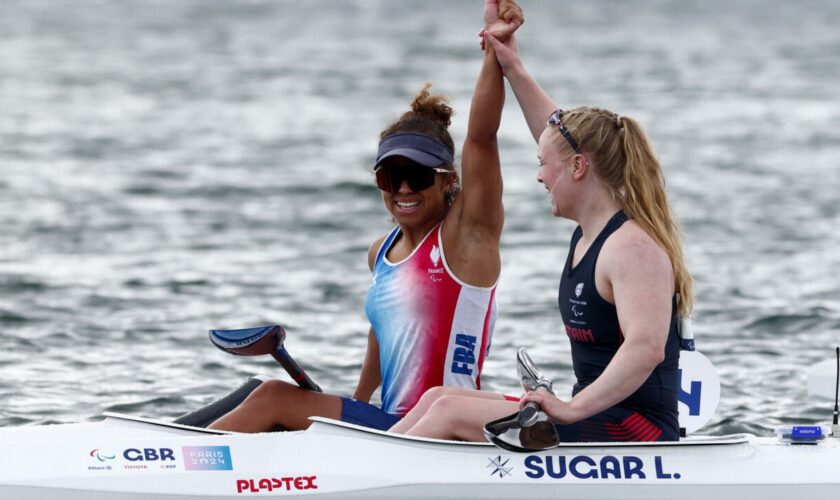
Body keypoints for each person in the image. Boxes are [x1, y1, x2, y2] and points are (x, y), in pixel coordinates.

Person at [208, 0, 524, 433]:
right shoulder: (381, 253)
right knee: (257, 391)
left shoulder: (468, 238)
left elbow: (482, 139)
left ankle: (169, 468)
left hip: (444, 432)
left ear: (448, 180)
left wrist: (495, 51)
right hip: (391, 425)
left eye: (417, 176)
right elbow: (380, 339)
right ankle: (176, 448)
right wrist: (351, 412)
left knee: (270, 398)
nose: (404, 189)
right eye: (391, 177)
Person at [389, 6, 693, 443]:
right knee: (439, 397)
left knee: (452, 411)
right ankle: (356, 459)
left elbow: (646, 349)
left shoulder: (632, 247)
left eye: (543, 166)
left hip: (637, 431)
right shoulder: (594, 229)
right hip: (596, 417)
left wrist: (569, 410)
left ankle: (364, 473)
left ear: (578, 169)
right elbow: (559, 135)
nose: (538, 177)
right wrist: (509, 63)